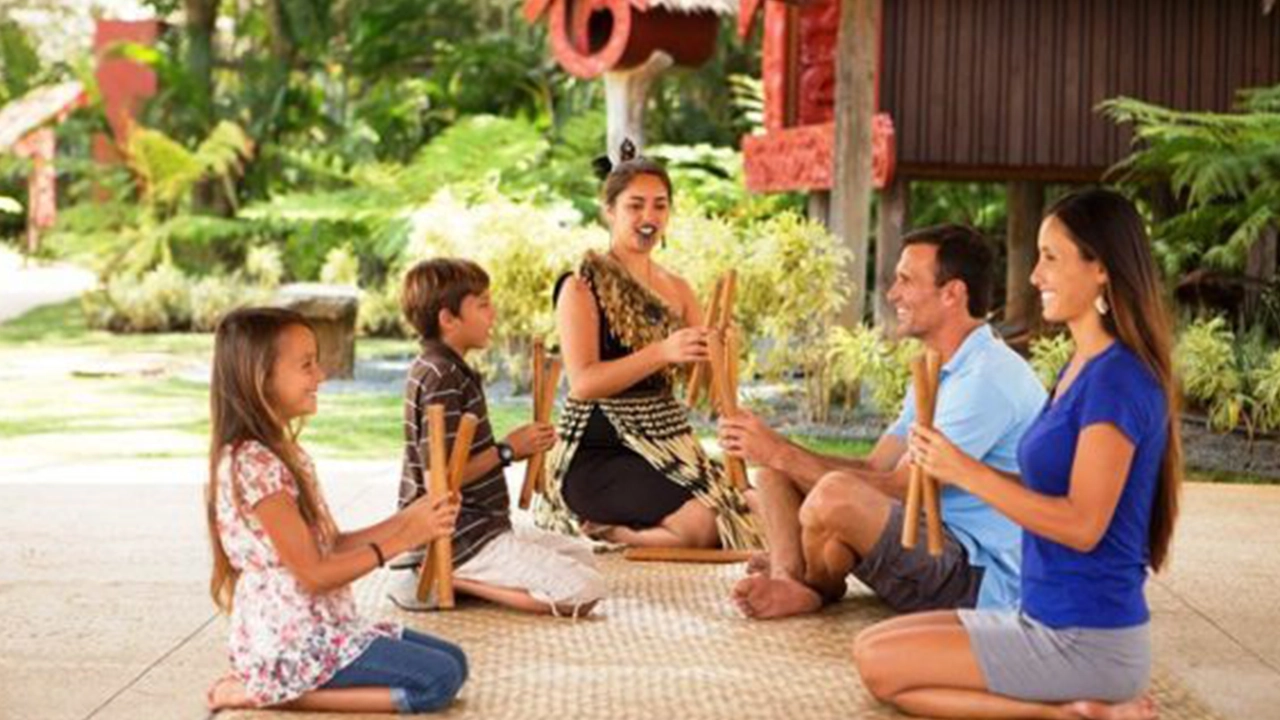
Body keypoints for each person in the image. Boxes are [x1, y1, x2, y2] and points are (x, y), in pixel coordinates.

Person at [853, 189, 1180, 720]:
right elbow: (1047, 490)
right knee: (871, 648)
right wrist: (947, 461)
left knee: (882, 669)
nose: (1034, 276)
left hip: (1087, 639)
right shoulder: (1079, 368)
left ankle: (1068, 713)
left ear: (1101, 269)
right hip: (1039, 614)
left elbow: (1082, 524)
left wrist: (964, 471)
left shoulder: (1118, 380)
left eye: (1050, 257)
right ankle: (1081, 707)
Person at [719, 225, 1046, 618]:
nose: (892, 294)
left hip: (975, 572)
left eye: (906, 280)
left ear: (952, 294)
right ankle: (792, 579)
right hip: (927, 536)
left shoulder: (986, 379)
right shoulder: (939, 366)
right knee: (774, 477)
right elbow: (876, 467)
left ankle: (811, 576)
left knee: (831, 497)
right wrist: (775, 455)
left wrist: (781, 451)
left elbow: (900, 489)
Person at [204, 307, 467, 714]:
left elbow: (334, 544)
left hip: (325, 627)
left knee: (456, 662)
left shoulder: (282, 454)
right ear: (260, 378)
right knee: (438, 680)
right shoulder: (251, 464)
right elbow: (314, 574)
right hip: (290, 645)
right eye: (306, 365)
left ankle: (278, 687)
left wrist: (415, 516)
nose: (320, 376)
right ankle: (265, 691)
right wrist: (404, 539)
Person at [533, 142, 760, 550]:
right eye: (635, 206)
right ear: (610, 211)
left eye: (659, 206)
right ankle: (611, 531)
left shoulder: (678, 288)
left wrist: (719, 351)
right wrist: (662, 352)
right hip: (596, 455)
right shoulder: (581, 286)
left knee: (753, 510)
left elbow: (703, 387)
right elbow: (584, 383)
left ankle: (619, 531)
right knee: (704, 528)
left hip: (665, 444)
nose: (648, 217)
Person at [390, 258, 606, 616]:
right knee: (584, 590)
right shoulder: (441, 377)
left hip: (484, 526)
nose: (493, 313)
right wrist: (508, 450)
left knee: (581, 553)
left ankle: (448, 574)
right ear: (448, 319)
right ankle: (443, 576)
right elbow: (436, 482)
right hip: (459, 536)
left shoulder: (444, 367)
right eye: (483, 304)